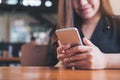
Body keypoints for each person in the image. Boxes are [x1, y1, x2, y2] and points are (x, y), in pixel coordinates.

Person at [49, 0, 120, 69]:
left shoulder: (118, 23)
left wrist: (105, 61)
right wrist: (62, 63)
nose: (82, 3)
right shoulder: (58, 29)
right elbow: (49, 68)